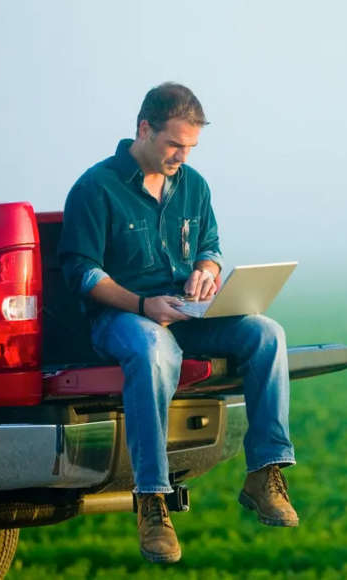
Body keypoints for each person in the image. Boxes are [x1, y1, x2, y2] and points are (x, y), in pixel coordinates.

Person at [57, 82, 298, 564]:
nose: (182, 156)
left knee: (268, 333)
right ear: (144, 128)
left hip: (187, 314)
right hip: (124, 318)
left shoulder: (194, 185)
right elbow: (82, 274)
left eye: (190, 147)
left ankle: (265, 473)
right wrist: (146, 306)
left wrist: (207, 274)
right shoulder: (94, 187)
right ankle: (152, 500)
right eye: (174, 144)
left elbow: (210, 245)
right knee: (153, 349)